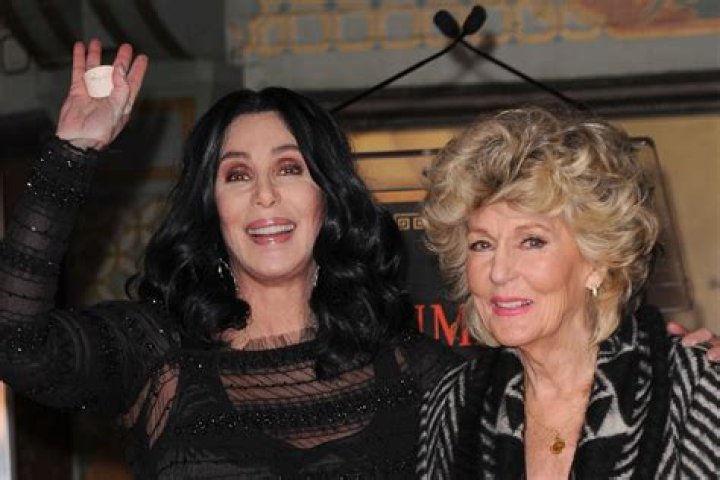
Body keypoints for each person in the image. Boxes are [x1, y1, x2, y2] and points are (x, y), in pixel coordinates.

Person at [0, 40, 460, 478]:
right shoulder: (157, 356)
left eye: (289, 168)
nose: (264, 195)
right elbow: (17, 343)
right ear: (212, 208)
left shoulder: (411, 367)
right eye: (238, 175)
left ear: (329, 198)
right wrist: (72, 151)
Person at [417, 106, 720, 478]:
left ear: (598, 260)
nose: (498, 271)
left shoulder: (693, 389)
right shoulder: (454, 404)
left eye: (532, 241)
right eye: (482, 244)